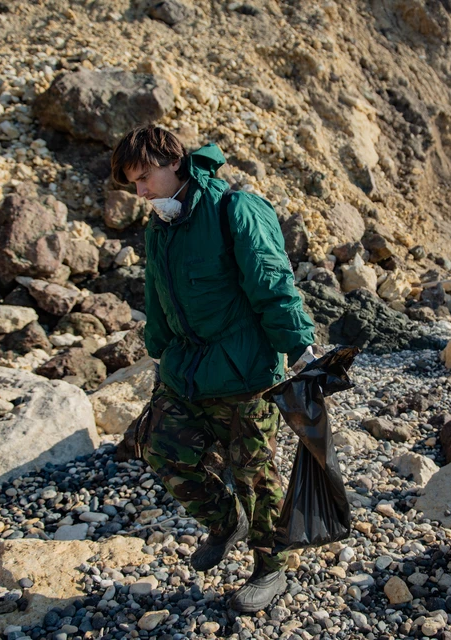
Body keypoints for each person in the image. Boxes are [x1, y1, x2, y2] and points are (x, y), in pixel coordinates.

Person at [110, 126, 316, 612]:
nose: (139, 192)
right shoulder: (159, 224)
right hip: (186, 368)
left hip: (246, 370)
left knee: (254, 473)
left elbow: (272, 282)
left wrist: (301, 349)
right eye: (132, 184)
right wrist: (158, 349)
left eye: (143, 178)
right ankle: (226, 522)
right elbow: (156, 296)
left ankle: (272, 569)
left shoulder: (235, 210)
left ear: (173, 162)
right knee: (160, 448)